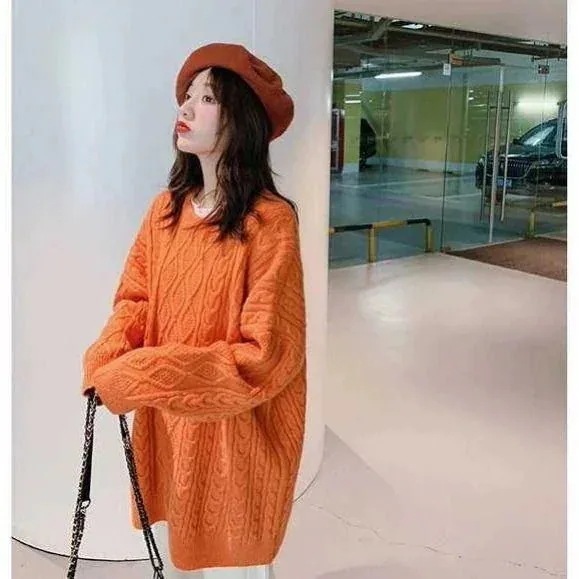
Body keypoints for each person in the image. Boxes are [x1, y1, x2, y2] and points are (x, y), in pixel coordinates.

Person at [81, 42, 307, 579]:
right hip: (170, 432)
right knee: (183, 559)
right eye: (187, 95)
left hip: (237, 443)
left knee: (235, 567)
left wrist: (141, 374)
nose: (184, 107)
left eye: (206, 98)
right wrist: (104, 358)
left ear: (241, 120)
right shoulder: (164, 210)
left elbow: (264, 357)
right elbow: (134, 301)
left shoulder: (269, 222)